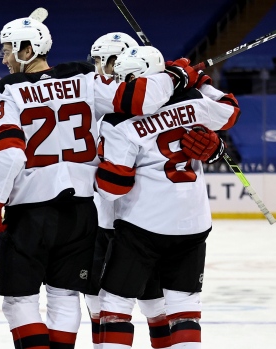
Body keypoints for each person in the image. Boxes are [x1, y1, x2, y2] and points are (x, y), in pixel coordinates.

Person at [0, 15, 198, 349]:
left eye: (7, 49)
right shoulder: (84, 77)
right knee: (65, 296)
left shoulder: (6, 89)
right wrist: (170, 75)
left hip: (32, 210)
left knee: (19, 301)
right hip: (83, 211)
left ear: (27, 49)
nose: (4, 58)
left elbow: (9, 155)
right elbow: (143, 101)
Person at [95, 47, 239, 349]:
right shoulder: (196, 101)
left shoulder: (119, 121)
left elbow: (112, 187)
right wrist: (198, 80)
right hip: (193, 223)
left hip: (142, 225)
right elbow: (229, 109)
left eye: (129, 79)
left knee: (115, 308)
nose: (125, 86)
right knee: (184, 308)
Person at [87, 33, 173, 349]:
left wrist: (172, 77)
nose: (98, 68)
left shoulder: (150, 99)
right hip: (104, 219)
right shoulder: (96, 95)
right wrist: (174, 76)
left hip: (138, 221)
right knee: (101, 307)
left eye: (103, 60)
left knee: (155, 305)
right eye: (95, 60)